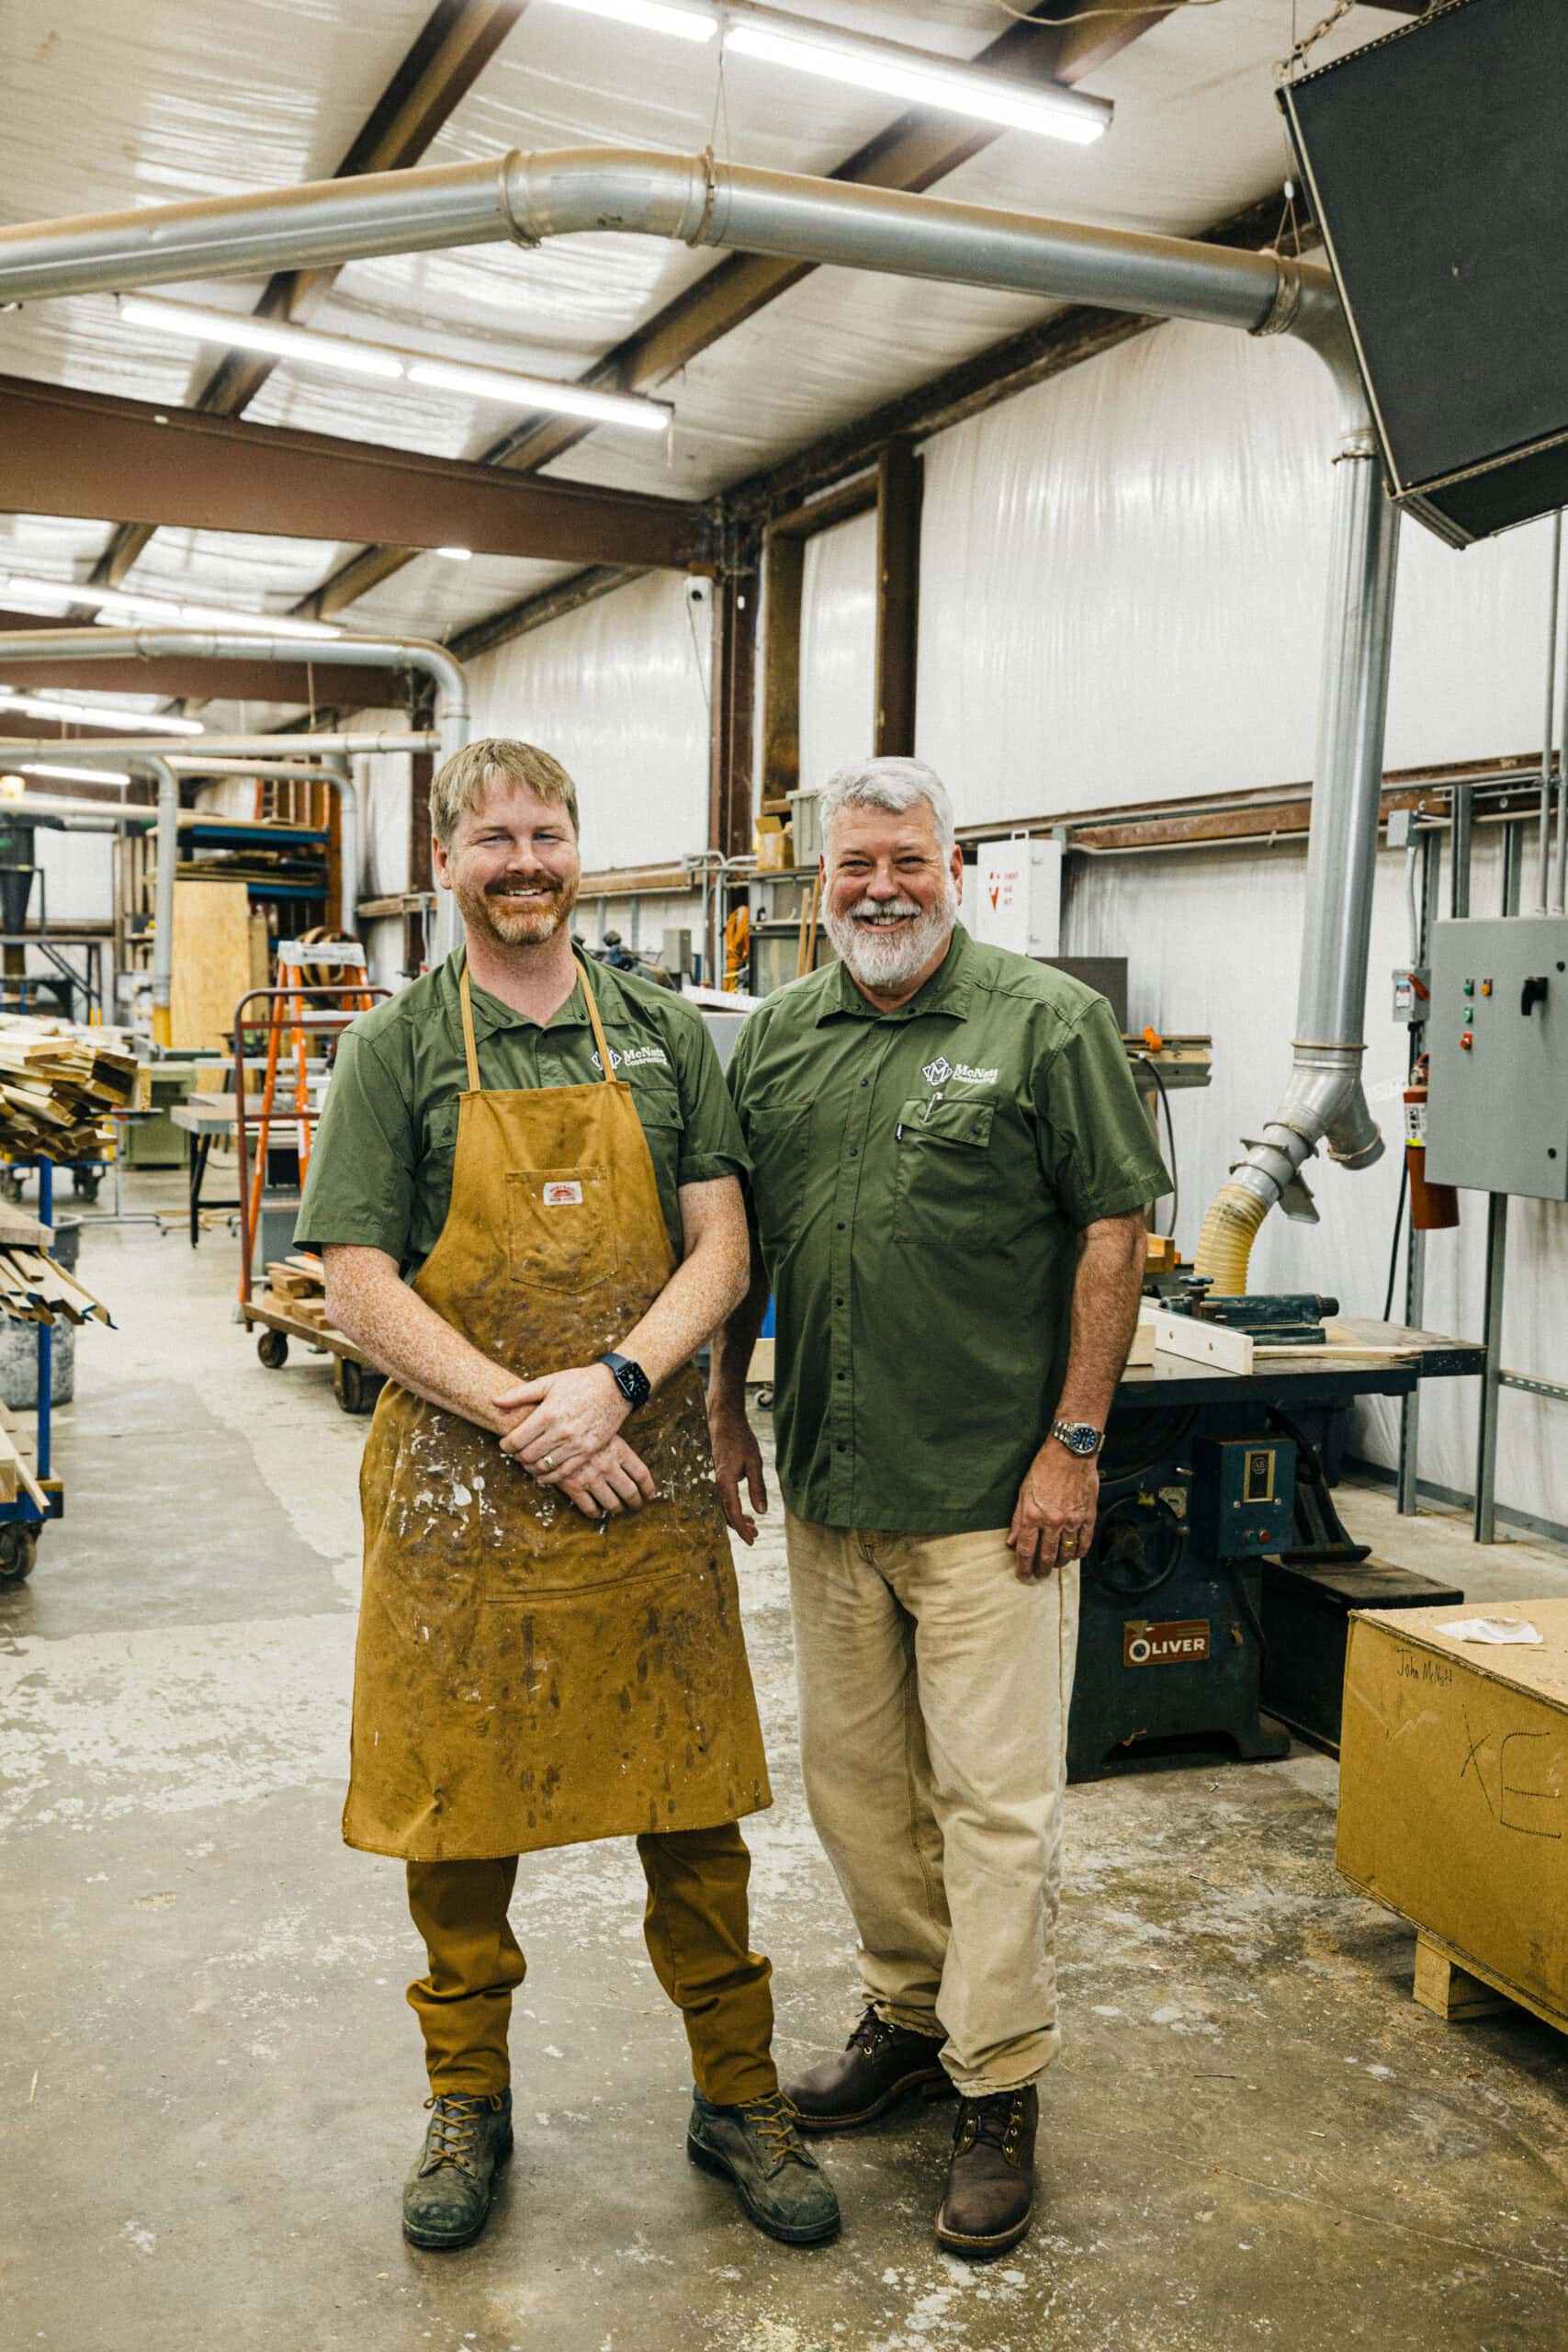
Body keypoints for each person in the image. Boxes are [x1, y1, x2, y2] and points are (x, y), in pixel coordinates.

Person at [297, 738, 839, 2254]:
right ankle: (468, 2099)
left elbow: (721, 1251)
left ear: (579, 852)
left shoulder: (664, 1031)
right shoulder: (398, 1045)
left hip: (643, 1483)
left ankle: (738, 2095)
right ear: (448, 864)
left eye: (546, 835)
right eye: (493, 840)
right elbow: (356, 1286)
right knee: (456, 1823)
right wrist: (528, 1419)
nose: (522, 862)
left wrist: (617, 1385)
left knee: (695, 1811)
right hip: (459, 1501)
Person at [707, 755, 1169, 2258]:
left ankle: (998, 2080)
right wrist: (725, 1403)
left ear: (951, 869)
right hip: (837, 1489)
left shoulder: (1047, 1023)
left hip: (995, 1498)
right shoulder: (777, 1038)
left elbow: (1116, 1229)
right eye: (853, 867)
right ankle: (912, 2014)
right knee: (856, 1794)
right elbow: (742, 1247)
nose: (880, 888)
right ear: (818, 887)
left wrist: (1077, 1443)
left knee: (996, 1806)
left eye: (905, 860)